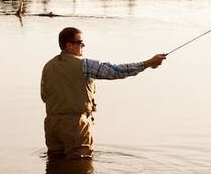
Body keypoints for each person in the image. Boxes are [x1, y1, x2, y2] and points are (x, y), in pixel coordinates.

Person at [40, 27, 166, 159]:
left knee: (54, 164)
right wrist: (147, 63)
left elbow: (44, 96)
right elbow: (116, 71)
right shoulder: (85, 65)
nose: (83, 46)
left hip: (51, 125)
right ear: (69, 45)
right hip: (75, 125)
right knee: (81, 166)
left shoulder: (48, 66)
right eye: (80, 42)